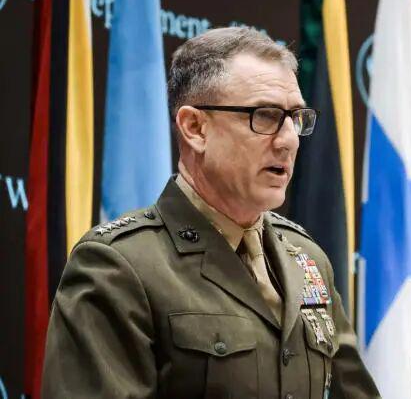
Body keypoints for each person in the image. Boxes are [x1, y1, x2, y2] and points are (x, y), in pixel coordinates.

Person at [42, 27, 380, 399]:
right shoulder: (118, 267)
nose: (288, 140)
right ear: (195, 128)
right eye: (265, 116)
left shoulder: (307, 258)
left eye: (295, 117)